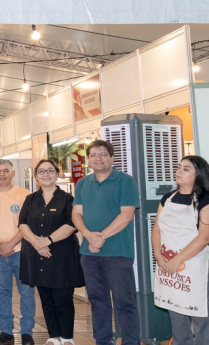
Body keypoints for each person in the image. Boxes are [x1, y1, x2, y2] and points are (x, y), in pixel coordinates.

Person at [152, 155, 209, 345]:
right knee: (175, 314)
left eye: (186, 169)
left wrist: (177, 260)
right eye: (179, 167)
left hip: (194, 266)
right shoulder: (167, 198)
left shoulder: (207, 202)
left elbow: (203, 238)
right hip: (167, 264)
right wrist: (158, 257)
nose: (179, 171)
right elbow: (157, 229)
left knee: (201, 314)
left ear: (199, 175)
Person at [71, 139, 140, 345]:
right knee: (98, 301)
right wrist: (88, 235)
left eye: (103, 154)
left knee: (125, 302)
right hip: (89, 254)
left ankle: (130, 342)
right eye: (93, 155)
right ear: (88, 160)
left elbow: (126, 215)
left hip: (118, 252)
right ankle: (102, 341)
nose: (98, 158)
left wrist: (99, 237)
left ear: (111, 157)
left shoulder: (125, 181)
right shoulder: (83, 183)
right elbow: (76, 215)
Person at [18, 160, 85, 345]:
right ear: (36, 176)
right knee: (46, 297)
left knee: (63, 297)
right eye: (41, 171)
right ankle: (53, 336)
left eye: (50, 171)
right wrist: (36, 243)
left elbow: (72, 224)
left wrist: (47, 240)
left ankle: (67, 337)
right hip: (37, 254)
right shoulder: (30, 199)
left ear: (56, 174)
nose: (46, 174)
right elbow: (22, 224)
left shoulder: (68, 199)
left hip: (61, 255)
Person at [0, 159, 33, 345]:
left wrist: (10, 244)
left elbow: (27, 224)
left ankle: (27, 332)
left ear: (13, 173)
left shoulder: (24, 194)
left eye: (6, 171)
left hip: (22, 251)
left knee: (26, 292)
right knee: (3, 293)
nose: (2, 174)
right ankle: (7, 331)